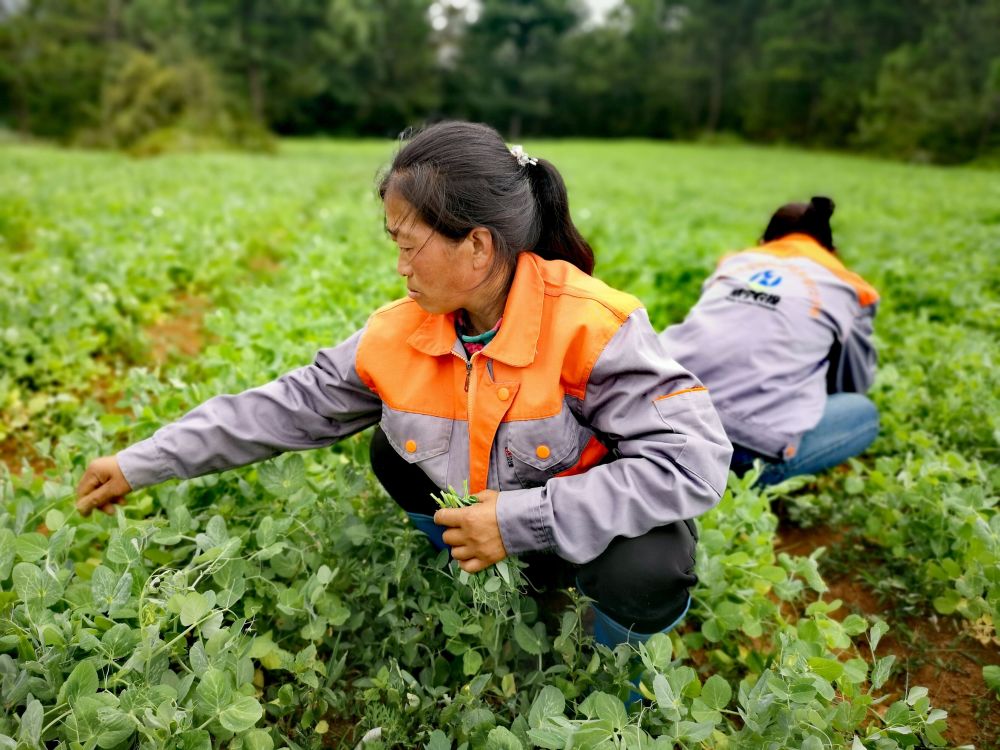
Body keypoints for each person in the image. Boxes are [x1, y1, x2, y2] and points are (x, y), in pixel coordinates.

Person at [75, 121, 732, 649]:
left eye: (409, 244)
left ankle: (616, 658)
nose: (399, 267)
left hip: (581, 529)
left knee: (651, 569)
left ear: (477, 248)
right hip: (489, 515)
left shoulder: (593, 326)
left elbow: (695, 461)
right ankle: (483, 573)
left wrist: (524, 520)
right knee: (392, 445)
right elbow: (287, 408)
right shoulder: (402, 333)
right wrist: (140, 463)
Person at [660, 197, 880, 486]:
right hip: (746, 452)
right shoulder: (848, 287)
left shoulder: (734, 264)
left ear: (763, 241)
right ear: (833, 251)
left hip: (663, 417)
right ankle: (737, 484)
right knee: (862, 412)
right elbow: (852, 382)